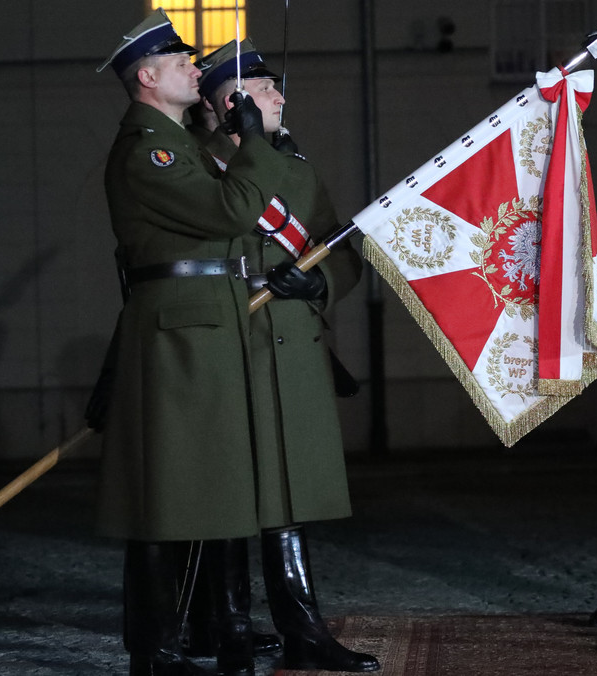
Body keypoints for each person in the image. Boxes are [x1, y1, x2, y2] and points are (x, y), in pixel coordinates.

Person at [95, 11, 295, 676]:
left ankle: (197, 635)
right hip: (179, 333)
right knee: (167, 493)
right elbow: (233, 212)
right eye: (181, 61)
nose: (194, 66)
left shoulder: (175, 144)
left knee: (203, 488)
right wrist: (252, 141)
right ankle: (155, 653)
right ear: (147, 78)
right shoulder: (146, 150)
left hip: (203, 324)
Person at [174, 40, 379, 674]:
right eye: (267, 91)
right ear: (233, 104)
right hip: (227, 350)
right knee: (230, 489)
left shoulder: (296, 168)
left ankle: (303, 628)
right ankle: (227, 625)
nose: (281, 99)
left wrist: (317, 284)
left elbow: (338, 246)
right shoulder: (193, 167)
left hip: (290, 351)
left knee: (290, 491)